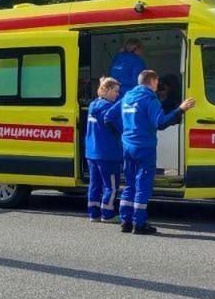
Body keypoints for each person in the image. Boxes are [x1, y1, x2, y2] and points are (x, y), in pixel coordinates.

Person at [119, 69, 196, 235]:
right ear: (152, 82)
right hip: (144, 147)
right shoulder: (150, 99)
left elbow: (117, 119)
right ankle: (139, 224)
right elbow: (161, 122)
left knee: (130, 184)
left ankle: (125, 221)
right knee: (143, 185)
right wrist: (181, 110)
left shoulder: (127, 97)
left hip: (127, 146)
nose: (157, 86)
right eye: (156, 82)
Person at [84, 77, 124, 223]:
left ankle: (93, 213)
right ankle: (108, 213)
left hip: (92, 152)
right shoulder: (108, 108)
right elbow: (118, 127)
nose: (117, 94)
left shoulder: (93, 105)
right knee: (111, 185)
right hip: (108, 153)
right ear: (106, 90)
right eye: (115, 91)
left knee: (95, 184)